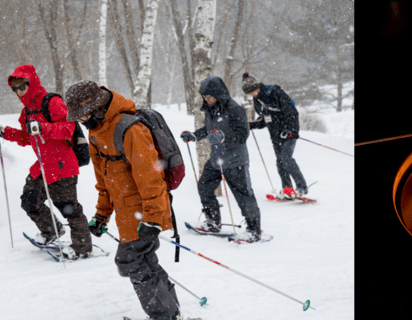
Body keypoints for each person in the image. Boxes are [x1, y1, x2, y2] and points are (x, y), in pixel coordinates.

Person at [65, 80, 181, 320]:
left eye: (84, 115)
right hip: (126, 213)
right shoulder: (97, 133)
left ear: (96, 108)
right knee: (144, 259)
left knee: (131, 260)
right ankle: (170, 312)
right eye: (79, 118)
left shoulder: (130, 129)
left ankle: (164, 315)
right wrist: (101, 215)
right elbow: (105, 182)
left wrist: (153, 219)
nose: (82, 122)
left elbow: (151, 180)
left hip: (143, 212)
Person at [0, 64, 92, 259]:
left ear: (32, 82)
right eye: (15, 89)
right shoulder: (26, 111)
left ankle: (82, 247)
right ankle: (51, 231)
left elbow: (68, 128)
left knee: (68, 208)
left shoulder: (52, 102)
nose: (19, 91)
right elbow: (26, 137)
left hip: (63, 164)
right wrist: (6, 132)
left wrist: (43, 128)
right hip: (43, 166)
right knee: (29, 201)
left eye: (22, 86)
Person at [180, 76, 268, 243]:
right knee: (204, 187)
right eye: (204, 96)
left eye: (209, 95)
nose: (206, 99)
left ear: (218, 93)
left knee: (244, 196)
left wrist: (223, 137)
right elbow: (209, 129)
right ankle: (213, 222)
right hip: (216, 159)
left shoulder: (235, 109)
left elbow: (243, 134)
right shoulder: (210, 109)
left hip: (236, 161)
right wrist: (194, 135)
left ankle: (254, 230)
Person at [242, 73, 309, 199]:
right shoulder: (257, 101)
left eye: (253, 91)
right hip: (275, 135)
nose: (252, 94)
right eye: (249, 93)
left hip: (288, 132)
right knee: (280, 162)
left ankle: (302, 187)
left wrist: (292, 130)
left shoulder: (275, 92)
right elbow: (265, 120)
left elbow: (292, 112)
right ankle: (287, 189)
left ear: (258, 86)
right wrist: (252, 125)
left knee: (286, 158)